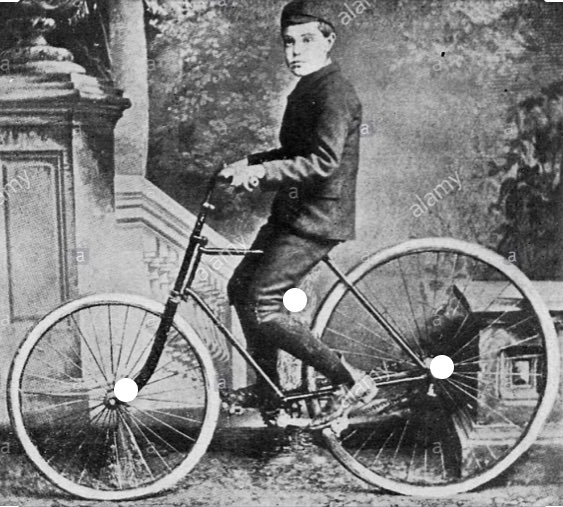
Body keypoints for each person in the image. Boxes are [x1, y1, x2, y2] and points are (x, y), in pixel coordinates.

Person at [219, 0, 377, 429]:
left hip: (317, 217)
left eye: (307, 40)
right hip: (293, 213)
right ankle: (270, 389)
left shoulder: (334, 92)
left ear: (329, 40)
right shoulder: (309, 87)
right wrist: (250, 162)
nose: (295, 51)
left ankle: (351, 381)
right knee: (241, 289)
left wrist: (262, 172)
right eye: (289, 42)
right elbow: (293, 152)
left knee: (264, 304)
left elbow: (322, 162)